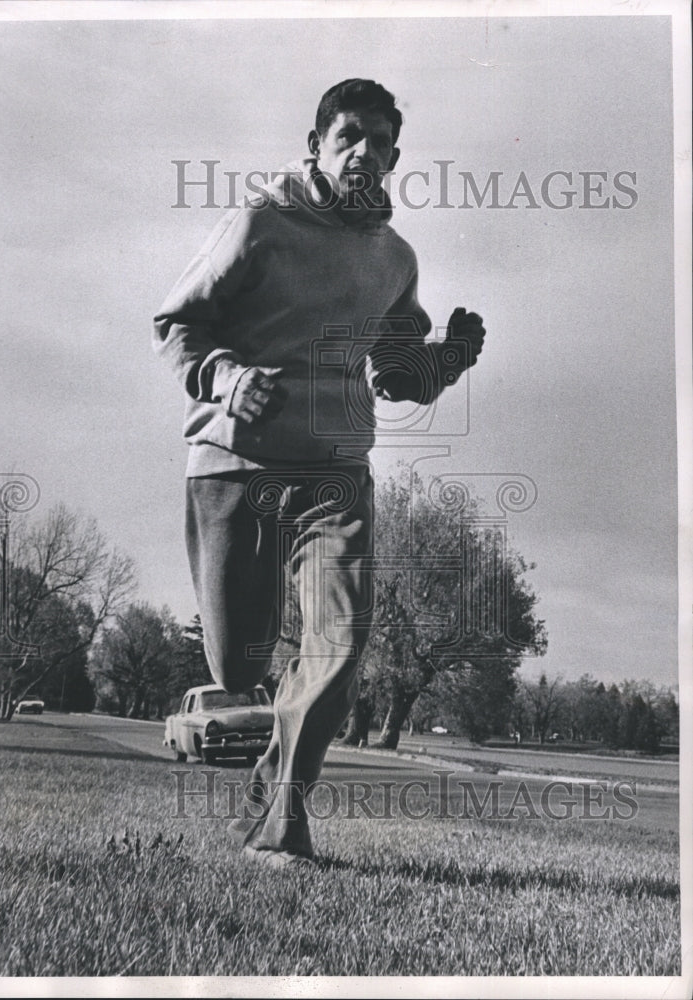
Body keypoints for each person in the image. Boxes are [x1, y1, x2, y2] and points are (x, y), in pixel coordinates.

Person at [153, 79, 485, 868]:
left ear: (394, 158)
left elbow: (396, 376)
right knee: (237, 665)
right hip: (234, 462)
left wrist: (449, 358)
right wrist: (228, 378)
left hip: (335, 474)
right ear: (316, 146)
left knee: (339, 640)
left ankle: (281, 820)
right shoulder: (259, 222)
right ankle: (268, 773)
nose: (364, 152)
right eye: (347, 136)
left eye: (379, 141)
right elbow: (177, 322)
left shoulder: (393, 259)